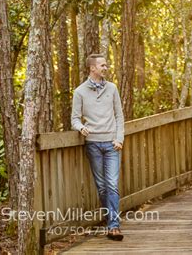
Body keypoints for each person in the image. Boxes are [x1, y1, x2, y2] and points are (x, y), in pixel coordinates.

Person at [71, 53, 125, 241]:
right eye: (102, 65)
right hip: (93, 144)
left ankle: (114, 226)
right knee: (102, 186)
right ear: (92, 68)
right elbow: (74, 119)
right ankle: (110, 221)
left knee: (112, 184)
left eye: (106, 65)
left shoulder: (112, 88)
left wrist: (119, 138)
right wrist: (81, 127)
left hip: (112, 144)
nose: (106, 67)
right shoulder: (80, 92)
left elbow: (119, 116)